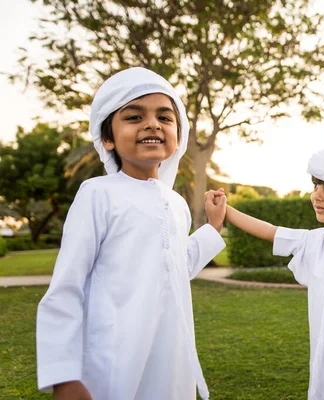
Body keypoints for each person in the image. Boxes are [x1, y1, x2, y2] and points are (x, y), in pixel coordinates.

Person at [36, 67, 226, 400]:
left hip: (170, 361)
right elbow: (67, 287)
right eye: (134, 116)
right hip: (112, 358)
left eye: (165, 118)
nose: (152, 124)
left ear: (178, 136)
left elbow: (176, 267)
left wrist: (212, 228)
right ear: (107, 137)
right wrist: (63, 375)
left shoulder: (176, 202)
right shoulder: (98, 194)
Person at [211, 148, 324, 400]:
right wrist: (225, 209)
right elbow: (270, 231)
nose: (317, 195)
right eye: (316, 185)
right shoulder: (314, 242)